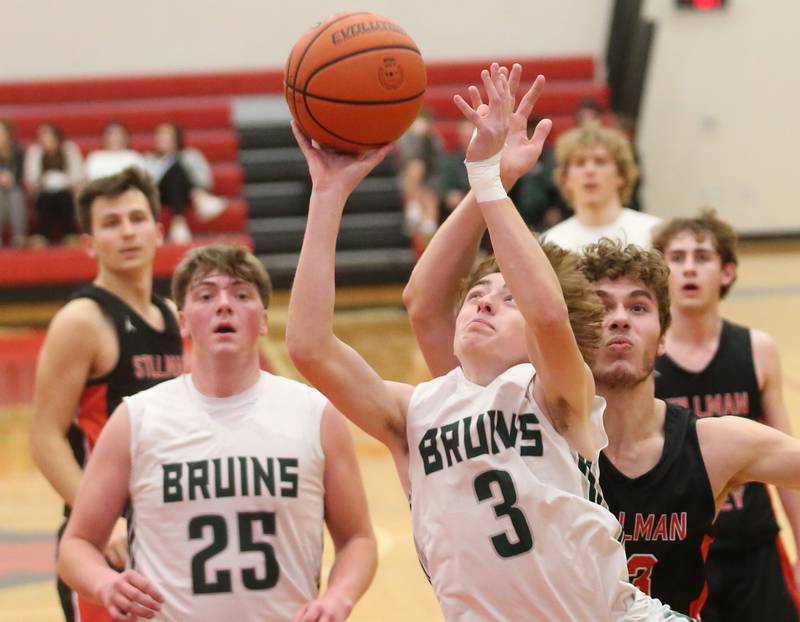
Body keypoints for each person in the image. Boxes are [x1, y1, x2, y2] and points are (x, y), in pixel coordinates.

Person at [288, 62, 690, 621]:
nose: (483, 302)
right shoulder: (414, 412)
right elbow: (309, 346)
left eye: (507, 300)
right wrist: (327, 195)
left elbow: (549, 314)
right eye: (479, 292)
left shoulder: (558, 393)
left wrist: (488, 178)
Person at [401, 70, 800, 620]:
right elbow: (425, 306)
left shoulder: (710, 443)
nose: (617, 321)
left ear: (665, 334)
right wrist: (486, 180)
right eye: (601, 308)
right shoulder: (523, 429)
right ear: (568, 327)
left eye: (638, 308)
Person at [58, 244, 377, 622]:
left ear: (262, 319)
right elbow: (76, 545)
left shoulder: (315, 414)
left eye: (241, 294)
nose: (224, 305)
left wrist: (338, 598)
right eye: (206, 295)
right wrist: (104, 583)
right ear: (182, 322)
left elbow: (358, 539)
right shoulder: (137, 418)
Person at [30, 167, 184, 622]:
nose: (127, 231)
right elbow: (45, 439)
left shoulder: (173, 317)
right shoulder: (82, 320)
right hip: (104, 545)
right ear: (89, 242)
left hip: (167, 532)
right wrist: (98, 517)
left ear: (158, 232)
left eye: (137, 219)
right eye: (111, 223)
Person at [652, 211, 800, 621]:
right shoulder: (646, 358)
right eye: (676, 257)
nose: (688, 268)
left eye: (702, 257)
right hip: (679, 552)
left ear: (727, 272)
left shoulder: (757, 349)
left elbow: (787, 460)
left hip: (754, 545)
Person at [541, 124, 659, 252]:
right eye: (580, 163)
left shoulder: (654, 233)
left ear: (621, 175)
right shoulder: (550, 244)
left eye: (600, 161)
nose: (589, 170)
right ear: (566, 178)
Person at [144, 122, 225, 244]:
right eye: (160, 134)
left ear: (176, 138)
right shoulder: (149, 159)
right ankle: (199, 201)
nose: (163, 138)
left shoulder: (190, 155)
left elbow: (205, 179)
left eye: (167, 135)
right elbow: (148, 184)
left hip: (185, 192)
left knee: (179, 170)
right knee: (175, 169)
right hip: (161, 193)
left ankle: (180, 218)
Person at [23, 122, 83, 245]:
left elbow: (78, 175)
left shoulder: (69, 150)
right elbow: (31, 179)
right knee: (46, 199)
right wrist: (41, 182)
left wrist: (68, 182)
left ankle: (71, 234)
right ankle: (42, 236)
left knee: (64, 197)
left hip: (67, 191)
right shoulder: (35, 152)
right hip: (43, 193)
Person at [397, 109, 443, 242]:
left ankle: (417, 211)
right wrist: (415, 137)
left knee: (429, 196)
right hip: (409, 179)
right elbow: (407, 158)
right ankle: (414, 206)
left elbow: (436, 162)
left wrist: (424, 138)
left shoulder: (434, 139)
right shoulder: (405, 138)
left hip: (431, 179)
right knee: (416, 166)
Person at [0, 119, 27, 247]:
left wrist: (9, 179)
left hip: (12, 188)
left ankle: (19, 237)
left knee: (15, 192)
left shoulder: (17, 151)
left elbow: (20, 175)